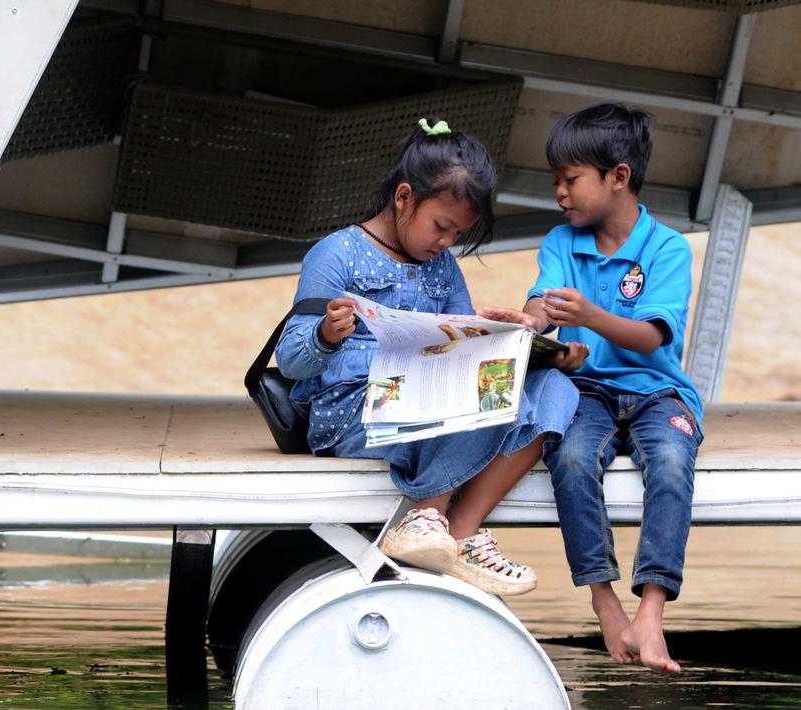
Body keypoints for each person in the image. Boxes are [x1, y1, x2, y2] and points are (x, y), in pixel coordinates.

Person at [276, 118, 587, 597]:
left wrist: (526, 343)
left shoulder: (443, 267)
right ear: (404, 197)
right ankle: (428, 516)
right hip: (358, 415)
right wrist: (324, 334)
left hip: (435, 410)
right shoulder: (336, 254)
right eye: (442, 226)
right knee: (477, 394)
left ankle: (456, 530)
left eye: (458, 234)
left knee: (556, 390)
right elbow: (291, 360)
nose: (446, 243)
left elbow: (466, 350)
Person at [490, 103, 703, 673]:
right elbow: (544, 302)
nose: (560, 193)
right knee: (573, 457)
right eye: (555, 181)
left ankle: (651, 612)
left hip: (660, 391)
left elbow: (651, 338)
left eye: (570, 179)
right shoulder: (562, 242)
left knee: (673, 462)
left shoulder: (667, 248)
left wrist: (591, 315)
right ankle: (604, 601)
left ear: (618, 177)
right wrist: (530, 320)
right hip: (586, 390)